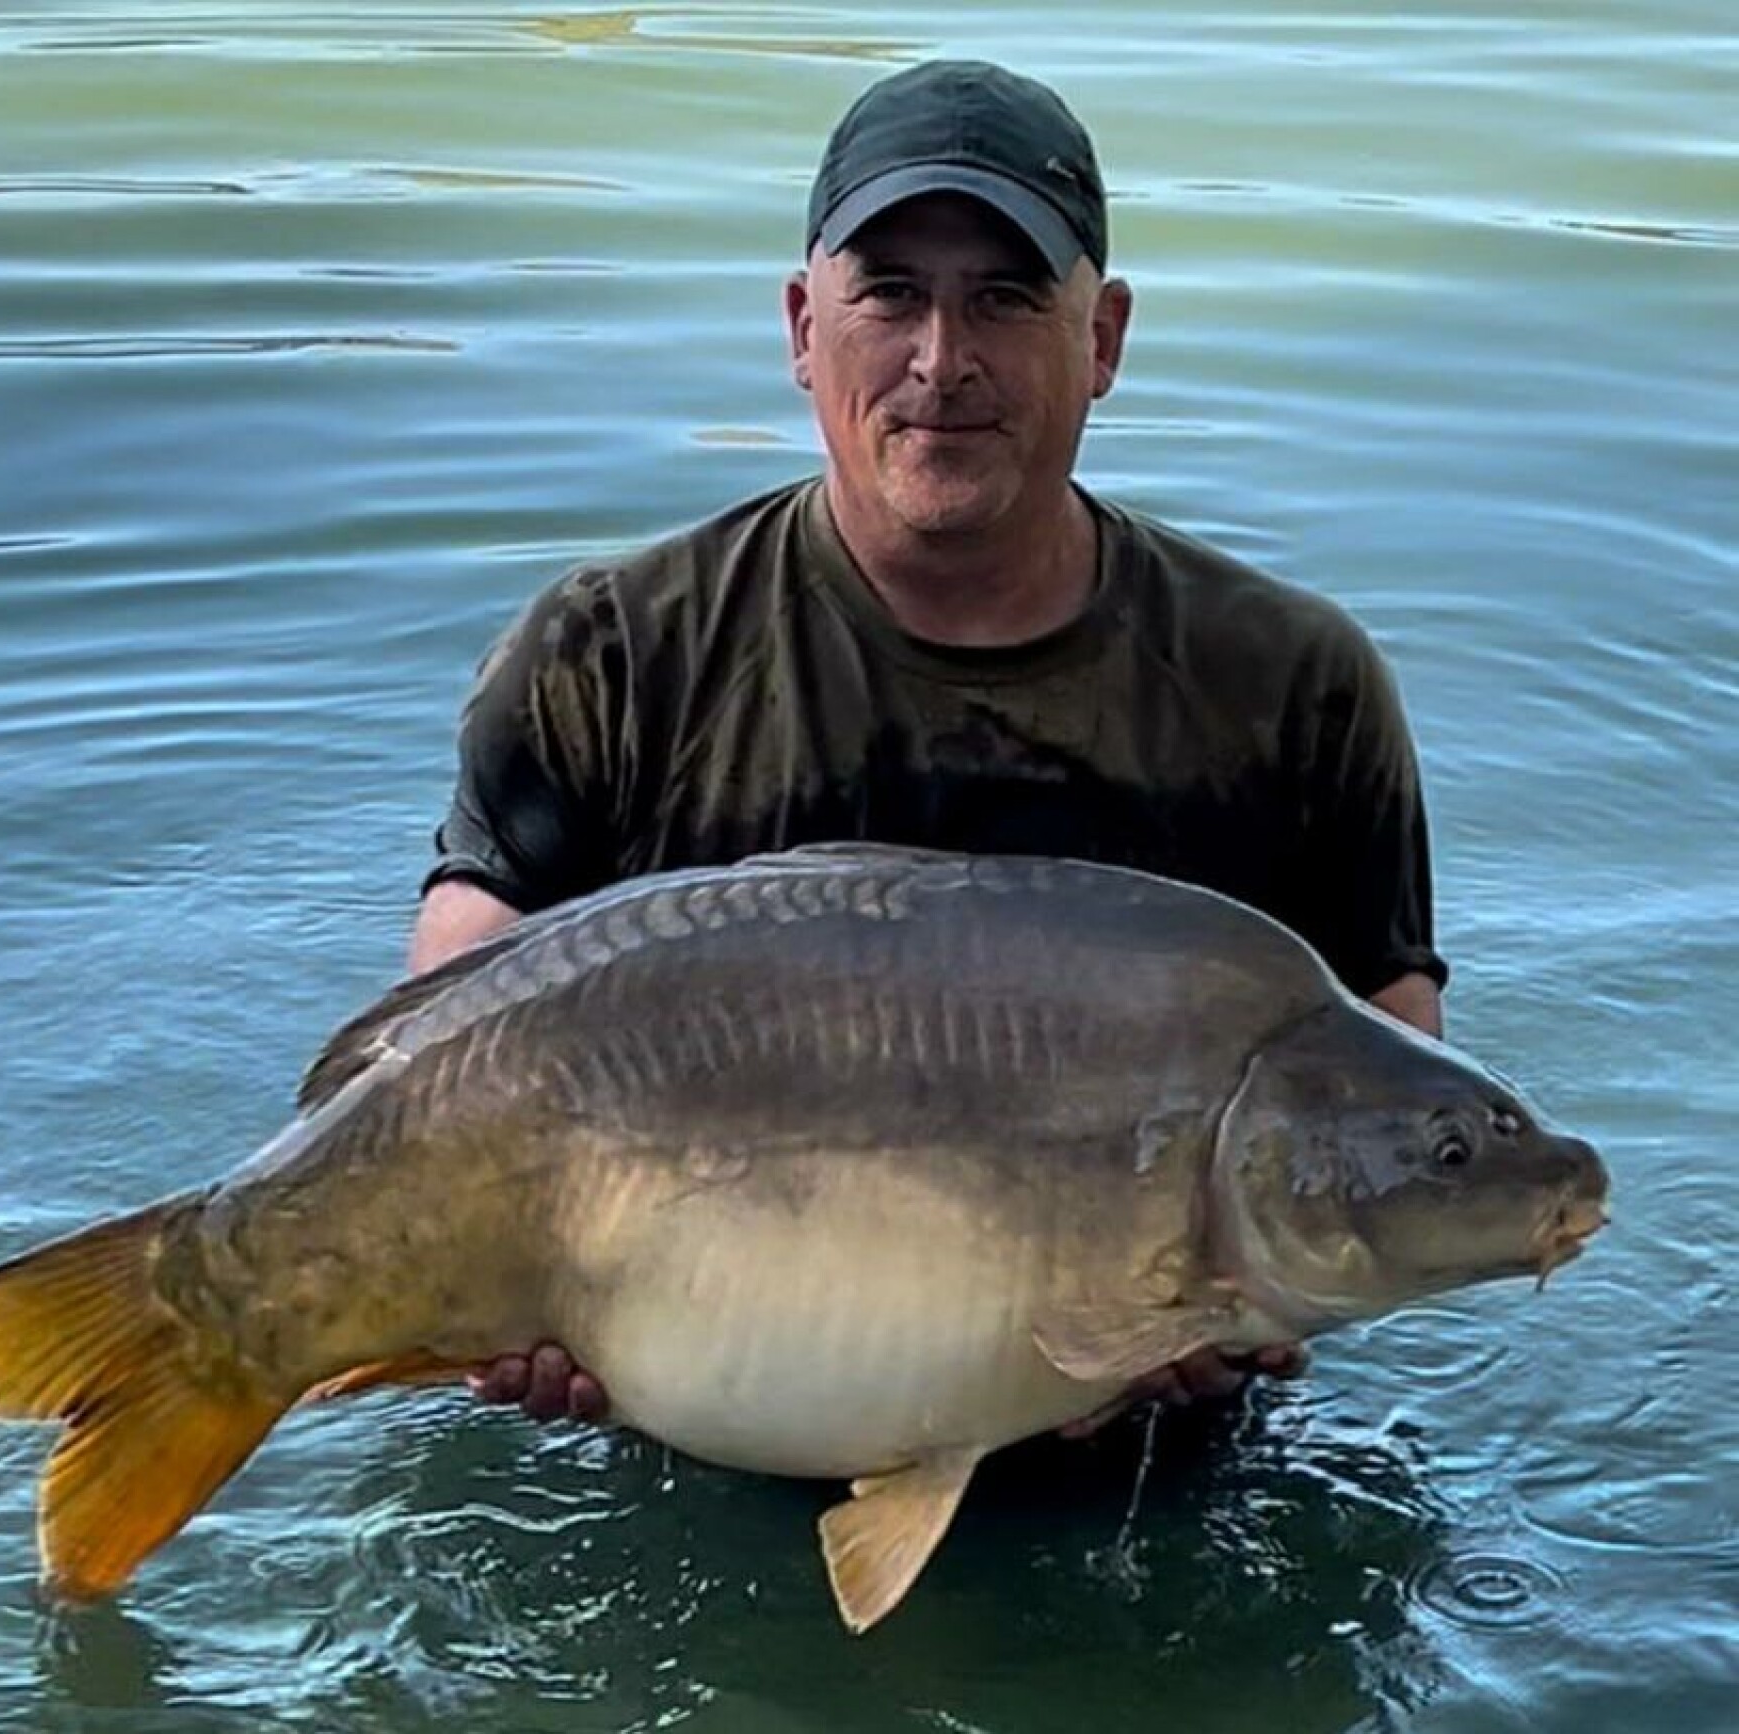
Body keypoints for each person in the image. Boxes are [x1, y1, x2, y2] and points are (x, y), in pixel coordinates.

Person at [410, 61, 1447, 1434]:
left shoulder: (1297, 687)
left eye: (1006, 299)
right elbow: (448, 1037)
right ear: (803, 324)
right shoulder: (607, 654)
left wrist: (1243, 1302)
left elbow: (1396, 1097)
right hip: (694, 1412)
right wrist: (487, 1284)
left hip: (1160, 1440)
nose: (942, 360)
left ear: (1104, 338)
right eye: (891, 293)